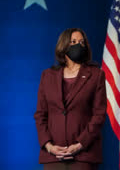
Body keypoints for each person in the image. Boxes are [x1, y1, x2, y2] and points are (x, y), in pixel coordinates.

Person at [34, 28, 107, 170]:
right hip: (53, 156)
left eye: (81, 42)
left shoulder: (96, 75)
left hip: (83, 156)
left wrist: (80, 144)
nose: (78, 45)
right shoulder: (47, 76)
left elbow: (99, 115)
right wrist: (49, 146)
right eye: (73, 42)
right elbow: (40, 115)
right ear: (63, 45)